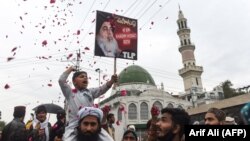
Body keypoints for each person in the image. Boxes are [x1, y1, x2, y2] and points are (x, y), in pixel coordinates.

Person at [58, 66, 118, 140]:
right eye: (82, 76)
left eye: (86, 77)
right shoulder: (70, 93)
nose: (85, 78)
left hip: (91, 124)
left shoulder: (90, 92)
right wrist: (70, 69)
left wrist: (111, 81)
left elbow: (101, 89)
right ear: (74, 81)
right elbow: (61, 81)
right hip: (74, 126)